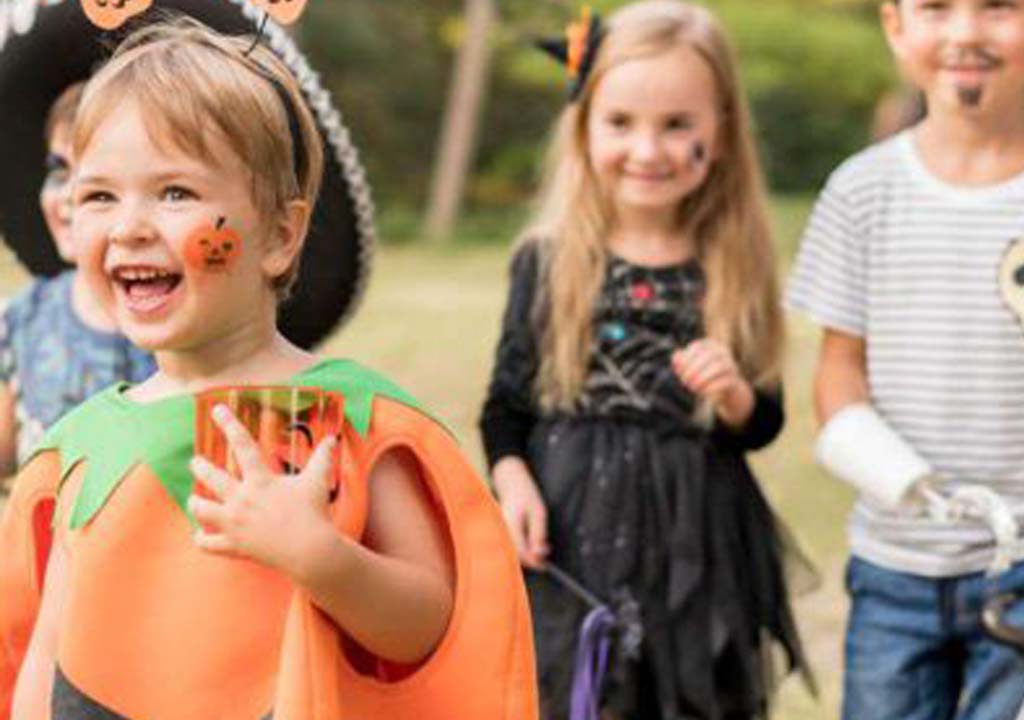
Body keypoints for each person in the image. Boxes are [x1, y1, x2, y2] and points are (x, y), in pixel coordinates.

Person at [0, 18, 536, 720]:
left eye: (175, 194)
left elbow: (428, 623)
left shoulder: (341, 415)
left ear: (280, 236)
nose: (129, 225)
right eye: (99, 195)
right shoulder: (79, 445)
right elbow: (49, 655)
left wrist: (321, 559)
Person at [480, 2, 810, 718]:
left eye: (678, 125)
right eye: (622, 122)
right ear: (584, 123)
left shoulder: (736, 262)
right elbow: (506, 407)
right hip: (575, 530)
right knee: (582, 693)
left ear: (719, 132)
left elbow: (765, 423)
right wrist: (514, 484)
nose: (648, 149)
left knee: (693, 695)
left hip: (700, 540)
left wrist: (733, 396)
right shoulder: (549, 260)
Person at [787, 1, 1024, 718]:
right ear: (895, 27)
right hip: (895, 569)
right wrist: (902, 478)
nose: (965, 33)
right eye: (935, 8)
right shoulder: (861, 192)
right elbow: (838, 372)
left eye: (998, 6)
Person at [0, 82, 155, 476]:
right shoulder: (21, 323)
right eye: (58, 171)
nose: (69, 195)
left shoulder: (184, 321)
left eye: (97, 181)